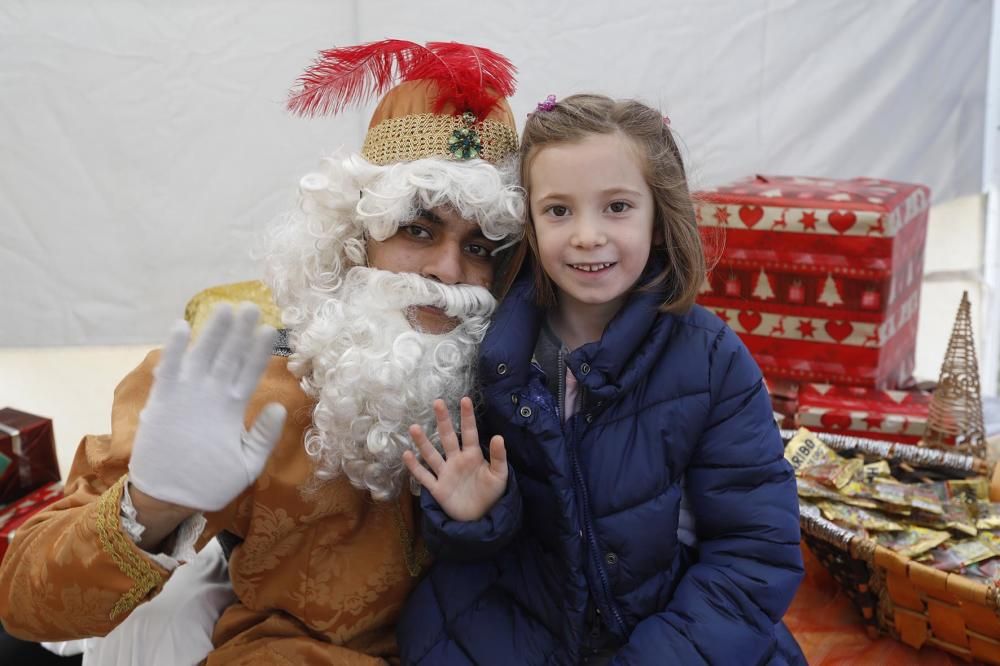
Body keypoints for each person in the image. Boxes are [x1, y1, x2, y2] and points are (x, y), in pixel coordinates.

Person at [0, 39, 524, 664]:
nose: (446, 271)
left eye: (480, 246)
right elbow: (24, 599)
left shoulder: (532, 381)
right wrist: (151, 506)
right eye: (418, 229)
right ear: (357, 238)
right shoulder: (247, 386)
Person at [398, 94, 806, 664]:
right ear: (531, 228)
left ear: (660, 220)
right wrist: (476, 517)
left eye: (616, 206)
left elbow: (756, 551)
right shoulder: (487, 352)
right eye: (559, 211)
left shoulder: (712, 360)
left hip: (675, 632)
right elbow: (483, 543)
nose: (587, 235)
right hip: (515, 622)